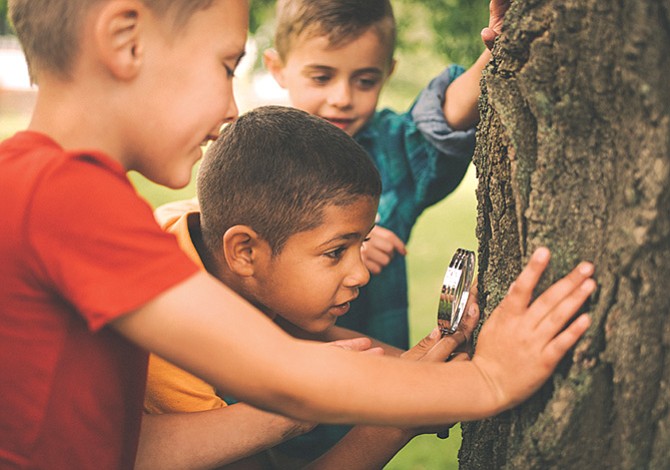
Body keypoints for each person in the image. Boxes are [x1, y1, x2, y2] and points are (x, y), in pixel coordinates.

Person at [0, 1, 594, 469]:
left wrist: (421, 376)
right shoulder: (62, 195)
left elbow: (130, 449)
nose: (233, 107)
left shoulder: (43, 188)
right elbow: (279, 371)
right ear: (126, 41)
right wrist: (486, 381)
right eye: (227, 64)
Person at [145, 105, 481, 469]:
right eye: (336, 251)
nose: (361, 275)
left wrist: (418, 368)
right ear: (244, 251)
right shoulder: (169, 357)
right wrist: (395, 423)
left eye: (362, 243)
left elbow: (294, 334)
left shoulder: (208, 237)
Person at [262, 0, 510, 458]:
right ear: (276, 67)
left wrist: (501, 47)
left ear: (388, 71)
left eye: (365, 80)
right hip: (275, 403)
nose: (342, 97)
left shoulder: (390, 150)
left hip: (371, 406)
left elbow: (441, 122)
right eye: (321, 77)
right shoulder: (255, 160)